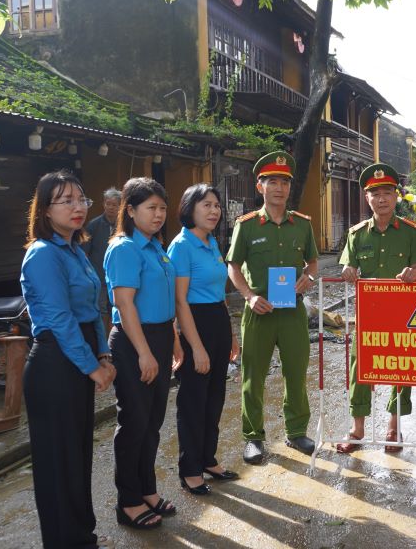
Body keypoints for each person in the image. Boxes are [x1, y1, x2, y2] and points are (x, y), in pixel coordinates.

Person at [20, 171, 116, 549]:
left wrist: (103, 354)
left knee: (77, 457)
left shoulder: (75, 249)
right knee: (58, 465)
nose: (78, 207)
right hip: (54, 366)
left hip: (80, 360)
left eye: (81, 199)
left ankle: (81, 536)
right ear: (45, 210)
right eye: (66, 200)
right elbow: (59, 319)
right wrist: (93, 367)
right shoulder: (42, 254)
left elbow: (92, 309)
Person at [226, 151, 319, 464]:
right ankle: (253, 437)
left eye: (284, 182)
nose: (279, 188)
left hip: (292, 311)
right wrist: (250, 296)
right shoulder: (247, 225)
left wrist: (308, 277)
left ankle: (296, 432)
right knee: (253, 377)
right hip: (258, 312)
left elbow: (314, 261)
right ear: (260, 186)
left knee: (296, 373)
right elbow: (233, 267)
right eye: (273, 182)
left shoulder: (302, 225)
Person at [335, 163, 416, 453]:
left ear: (396, 196)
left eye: (387, 192)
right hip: (369, 313)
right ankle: (357, 428)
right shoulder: (357, 233)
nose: (382, 199)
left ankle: (393, 427)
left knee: (402, 367)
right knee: (359, 366)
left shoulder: (412, 232)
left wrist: (413, 273)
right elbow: (347, 265)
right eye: (375, 194)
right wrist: (348, 270)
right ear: (367, 198)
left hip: (404, 312)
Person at [105, 177, 179, 530]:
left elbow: (165, 302)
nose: (159, 214)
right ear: (130, 210)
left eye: (162, 208)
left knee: (152, 422)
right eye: (151, 208)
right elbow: (125, 304)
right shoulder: (124, 249)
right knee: (134, 423)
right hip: (136, 341)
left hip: (161, 337)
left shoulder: (155, 248)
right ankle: (128, 501)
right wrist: (145, 353)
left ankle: (147, 490)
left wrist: (174, 339)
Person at [168, 184, 240, 495]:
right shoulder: (181, 246)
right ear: (189, 208)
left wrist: (232, 334)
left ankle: (208, 459)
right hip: (193, 323)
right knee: (193, 401)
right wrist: (194, 346)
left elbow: (220, 293)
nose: (214, 211)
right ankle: (190, 470)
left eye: (216, 205)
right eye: (206, 205)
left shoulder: (211, 243)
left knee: (215, 397)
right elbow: (180, 301)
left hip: (217, 321)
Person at [81, 187, 121, 323]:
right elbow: (84, 253)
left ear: (120, 206)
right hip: (98, 276)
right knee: (101, 310)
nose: (110, 207)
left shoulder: (124, 226)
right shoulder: (93, 225)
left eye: (114, 205)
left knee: (117, 307)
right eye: (107, 204)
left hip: (118, 276)